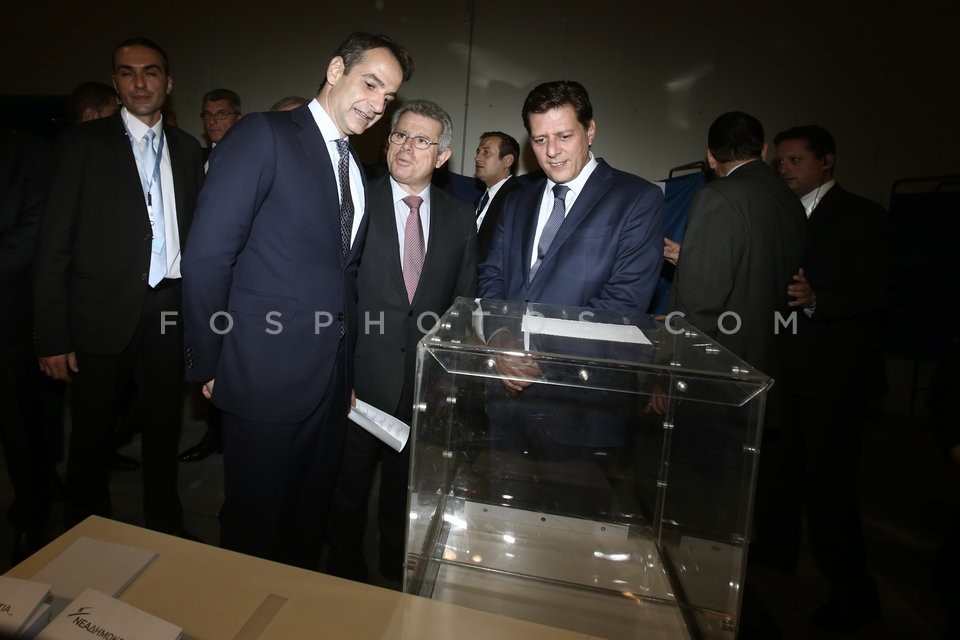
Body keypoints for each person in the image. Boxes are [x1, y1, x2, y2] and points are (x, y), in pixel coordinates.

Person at [181, 32, 413, 570]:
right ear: (335, 70)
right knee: (256, 530)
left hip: (329, 386)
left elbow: (343, 279)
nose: (377, 105)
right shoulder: (264, 134)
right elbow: (208, 256)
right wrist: (209, 360)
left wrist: (345, 371)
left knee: (306, 527)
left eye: (387, 98)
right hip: (262, 374)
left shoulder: (355, 167)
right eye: (370, 84)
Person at [33, 37, 203, 535]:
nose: (140, 82)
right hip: (99, 311)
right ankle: (84, 532)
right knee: (91, 433)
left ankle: (165, 525)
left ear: (168, 83)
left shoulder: (187, 149)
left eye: (151, 72)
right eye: (127, 73)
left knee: (164, 428)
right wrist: (52, 335)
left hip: (169, 309)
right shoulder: (80, 144)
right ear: (115, 83)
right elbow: (53, 245)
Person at [326, 100, 477, 584]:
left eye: (421, 140)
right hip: (357, 384)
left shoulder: (460, 217)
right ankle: (342, 579)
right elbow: (331, 296)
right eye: (399, 135)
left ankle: (395, 581)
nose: (406, 147)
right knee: (345, 494)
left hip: (421, 389)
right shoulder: (355, 201)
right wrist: (337, 374)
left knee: (404, 496)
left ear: (442, 156)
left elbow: (461, 304)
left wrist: (446, 382)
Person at [768, 124, 890, 632]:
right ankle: (775, 566)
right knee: (778, 477)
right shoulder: (780, 215)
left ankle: (854, 594)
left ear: (827, 161)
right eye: (780, 161)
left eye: (795, 160)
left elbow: (879, 295)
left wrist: (821, 301)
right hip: (785, 373)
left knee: (829, 490)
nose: (785, 169)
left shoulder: (862, 216)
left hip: (835, 381)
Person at [478, 80, 663, 315]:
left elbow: (626, 299)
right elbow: (492, 274)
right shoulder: (516, 201)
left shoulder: (638, 199)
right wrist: (500, 328)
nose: (551, 151)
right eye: (540, 140)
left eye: (564, 136)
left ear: (590, 131)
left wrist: (542, 335)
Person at [177, 88, 243, 464]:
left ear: (238, 117)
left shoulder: (250, 160)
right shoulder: (196, 160)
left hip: (238, 285)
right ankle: (214, 435)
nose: (213, 121)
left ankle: (228, 437)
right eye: (207, 115)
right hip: (200, 280)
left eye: (222, 114)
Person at [1, 128, 53, 563]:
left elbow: (36, 230)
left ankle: (32, 513)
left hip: (8, 315)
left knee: (19, 425)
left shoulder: (27, 152)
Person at [474, 131, 521, 262]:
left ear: (507, 161)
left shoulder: (519, 199)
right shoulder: (478, 201)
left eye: (486, 152)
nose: (477, 158)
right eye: (478, 152)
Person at [198, 88, 241, 167]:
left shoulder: (250, 156)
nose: (211, 121)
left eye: (221, 114)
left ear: (238, 119)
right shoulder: (196, 158)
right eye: (207, 115)